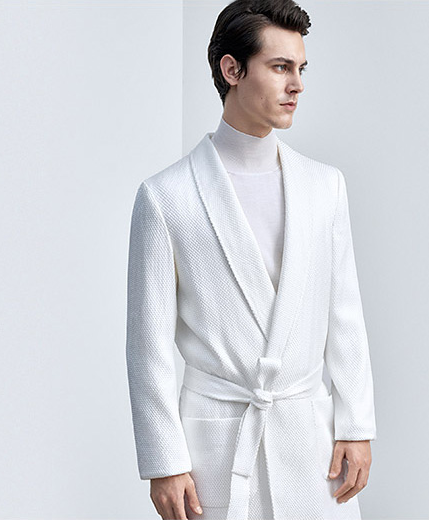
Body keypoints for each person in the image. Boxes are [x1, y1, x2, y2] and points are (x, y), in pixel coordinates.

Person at [124, 1, 376, 518]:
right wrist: (163, 461)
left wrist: (356, 426)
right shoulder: (167, 198)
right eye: (280, 67)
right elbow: (147, 346)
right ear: (232, 70)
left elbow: (345, 315)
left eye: (300, 68)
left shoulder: (324, 187)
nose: (297, 85)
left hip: (312, 443)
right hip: (216, 449)